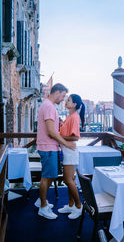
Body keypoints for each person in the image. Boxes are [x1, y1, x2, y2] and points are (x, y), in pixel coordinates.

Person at [35, 83, 76, 220]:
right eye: (63, 96)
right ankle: (42, 207)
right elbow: (51, 131)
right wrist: (66, 143)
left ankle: (42, 200)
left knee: (51, 175)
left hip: (49, 147)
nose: (63, 99)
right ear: (57, 92)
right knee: (47, 177)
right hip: (48, 147)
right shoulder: (49, 106)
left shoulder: (48, 106)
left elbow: (52, 128)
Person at [58, 94, 85, 219]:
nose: (65, 101)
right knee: (69, 180)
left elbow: (76, 137)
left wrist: (58, 137)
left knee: (68, 180)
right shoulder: (70, 116)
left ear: (74, 104)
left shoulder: (74, 117)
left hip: (70, 151)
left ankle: (79, 206)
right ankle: (70, 204)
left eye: (68, 100)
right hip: (67, 150)